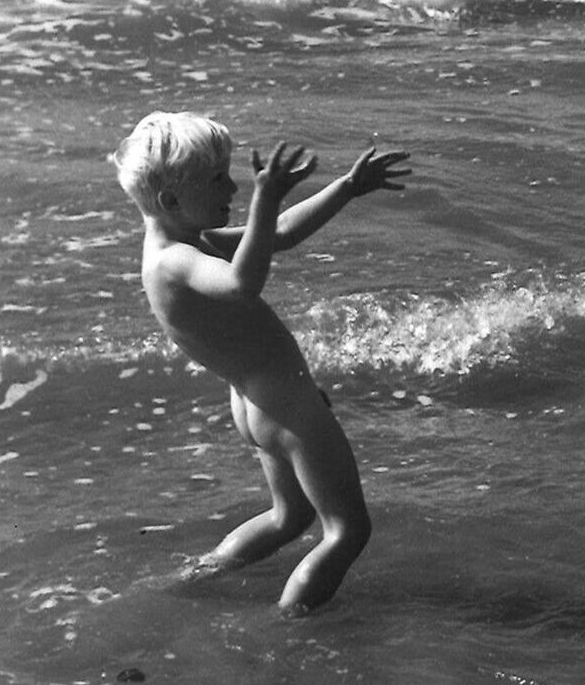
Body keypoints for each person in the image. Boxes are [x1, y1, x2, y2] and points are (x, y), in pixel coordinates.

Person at [111, 111, 411, 612]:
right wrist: (265, 196)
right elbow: (242, 284)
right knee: (347, 530)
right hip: (283, 403)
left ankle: (198, 577)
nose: (231, 186)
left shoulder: (180, 243)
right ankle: (290, 627)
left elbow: (280, 234)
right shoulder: (176, 262)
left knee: (288, 518)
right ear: (171, 200)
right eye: (216, 180)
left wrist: (345, 188)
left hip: (258, 401)